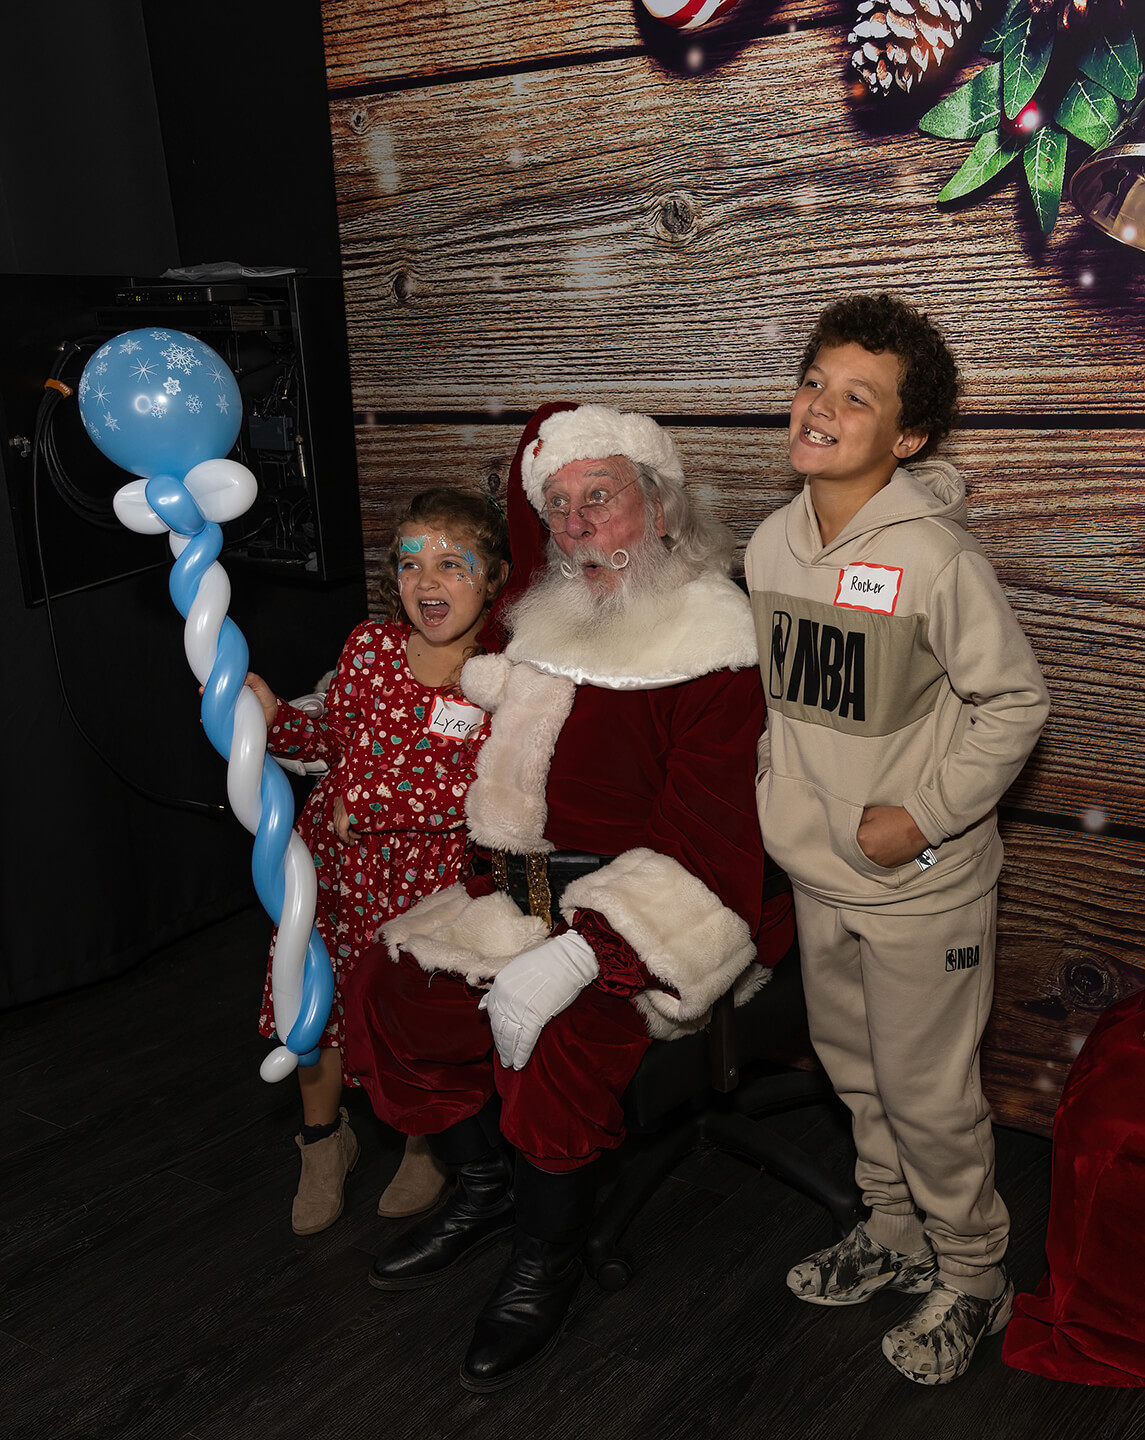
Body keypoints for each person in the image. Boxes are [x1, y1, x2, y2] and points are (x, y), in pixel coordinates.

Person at [341, 401, 795, 1392]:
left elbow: (710, 849)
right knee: (389, 986)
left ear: (659, 508)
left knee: (557, 1044)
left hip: (660, 905)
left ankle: (542, 1259)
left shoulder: (713, 641)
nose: (579, 522)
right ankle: (483, 1190)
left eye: (601, 496)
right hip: (528, 887)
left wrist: (583, 952)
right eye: (559, 505)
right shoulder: (545, 619)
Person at [745, 293, 1050, 1385]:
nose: (820, 408)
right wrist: (780, 791)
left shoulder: (933, 560)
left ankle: (973, 1275)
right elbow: (786, 703)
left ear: (907, 436)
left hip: (917, 882)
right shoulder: (770, 543)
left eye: (856, 397)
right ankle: (892, 1233)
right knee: (856, 1076)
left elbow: (1014, 704)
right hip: (815, 869)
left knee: (927, 1095)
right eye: (813, 382)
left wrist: (917, 817)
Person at [245, 487, 510, 1235]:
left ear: (492, 576)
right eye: (410, 563)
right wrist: (274, 718)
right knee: (316, 1000)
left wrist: (377, 804)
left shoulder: (500, 673)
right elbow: (333, 742)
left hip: (429, 884)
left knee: (410, 1018)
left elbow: (486, 787)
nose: (427, 580)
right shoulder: (370, 646)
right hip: (337, 873)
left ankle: (427, 1143)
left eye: (452, 564)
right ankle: (322, 1141)